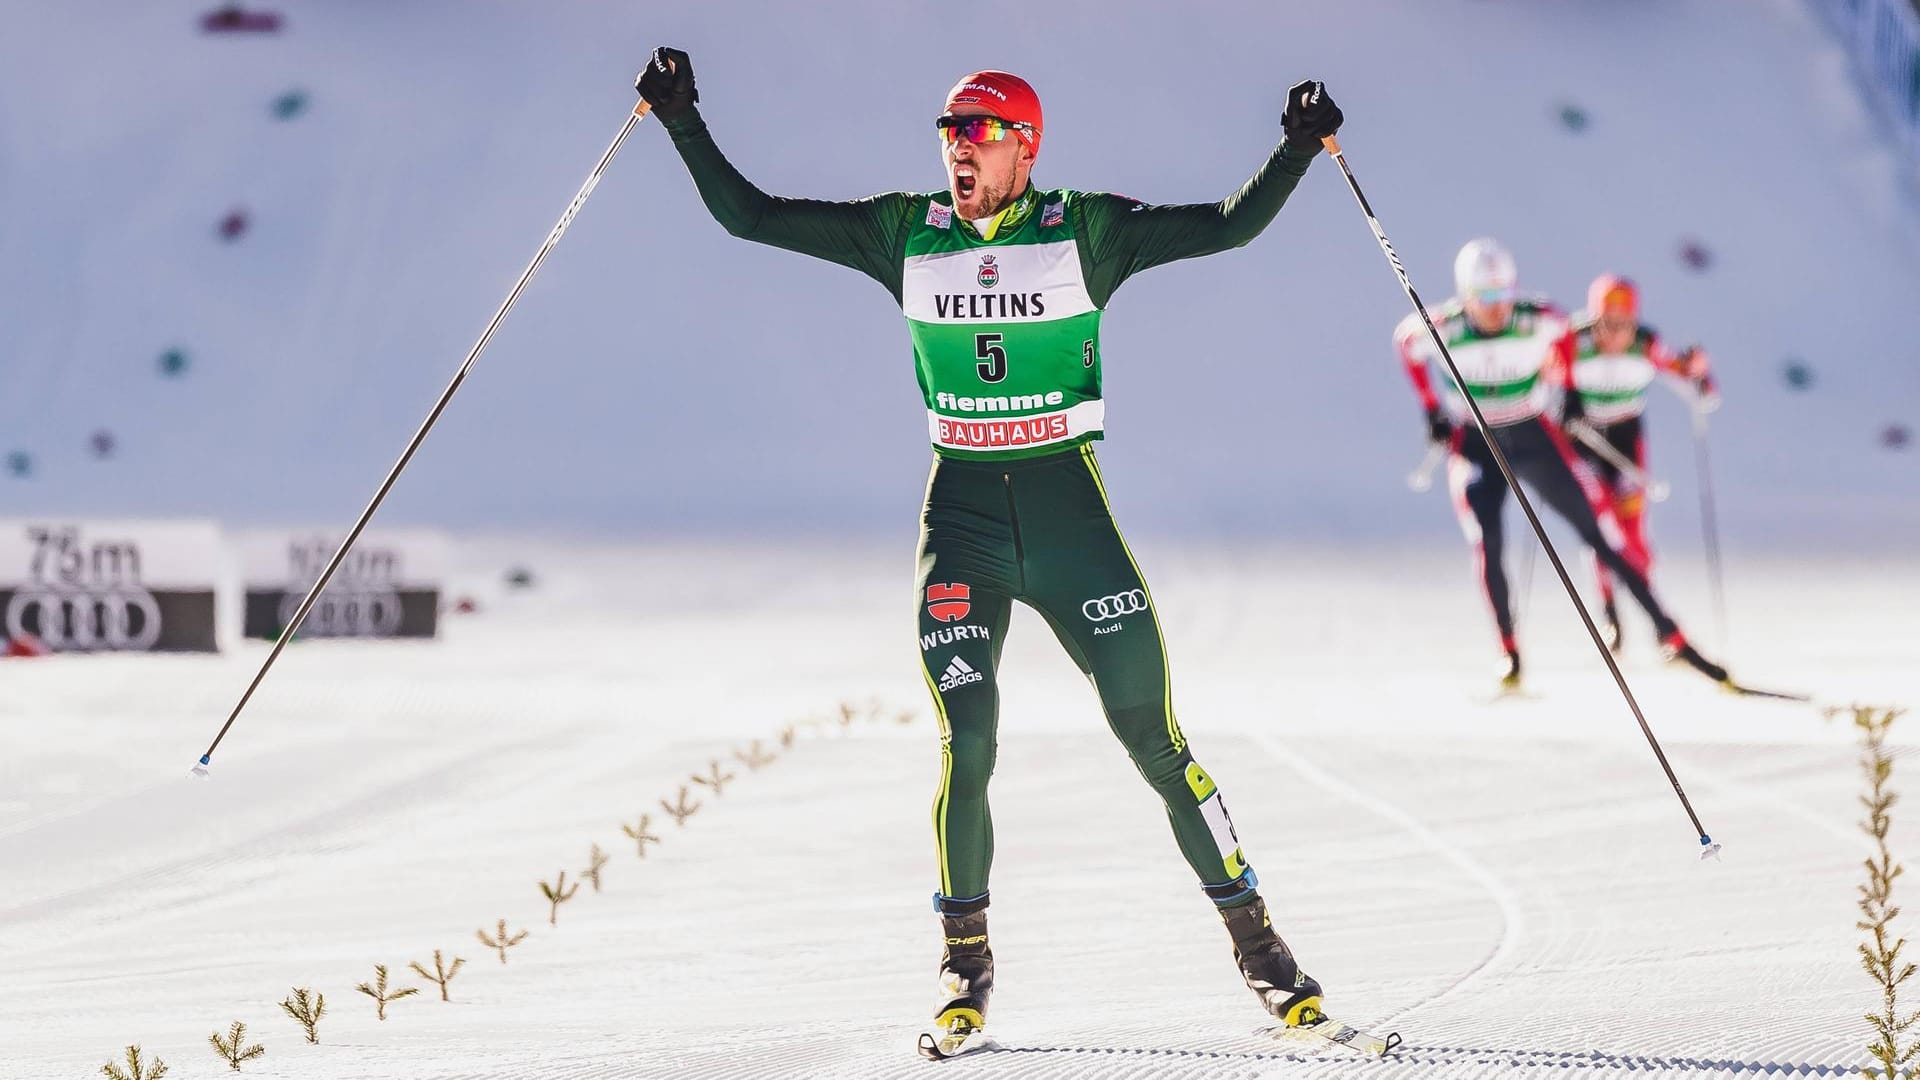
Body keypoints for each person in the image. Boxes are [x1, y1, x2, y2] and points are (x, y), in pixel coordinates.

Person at [635, 49, 1345, 1048]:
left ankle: (1262, 951)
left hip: (1069, 518)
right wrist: (682, 121)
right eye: (949, 133)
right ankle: (963, 968)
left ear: (1024, 148)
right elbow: (751, 217)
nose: (958, 150)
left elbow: (1228, 228)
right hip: (963, 522)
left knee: (1156, 741)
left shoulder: (1084, 230)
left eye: (979, 134)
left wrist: (1296, 150)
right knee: (967, 746)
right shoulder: (904, 233)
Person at [1394, 238, 1728, 691]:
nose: (1496, 308)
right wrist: (1431, 409)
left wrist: (1568, 391)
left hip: (1533, 434)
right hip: (1475, 443)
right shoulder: (1444, 327)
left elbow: (1571, 335)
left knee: (1601, 531)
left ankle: (1669, 631)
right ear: (1466, 295)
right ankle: (1508, 649)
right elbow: (1405, 342)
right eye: (1485, 297)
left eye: (1503, 295)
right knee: (1487, 540)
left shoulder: (1539, 320)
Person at [1568, 274, 1718, 651]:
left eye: (1624, 323)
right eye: (1607, 323)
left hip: (1625, 441)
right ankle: (1609, 613)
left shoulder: (1646, 345)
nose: (1615, 334)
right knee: (1601, 528)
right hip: (1584, 443)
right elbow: (1538, 371)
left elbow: (1695, 383)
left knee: (1633, 534)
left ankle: (1655, 620)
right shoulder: (1574, 343)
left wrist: (1699, 373)